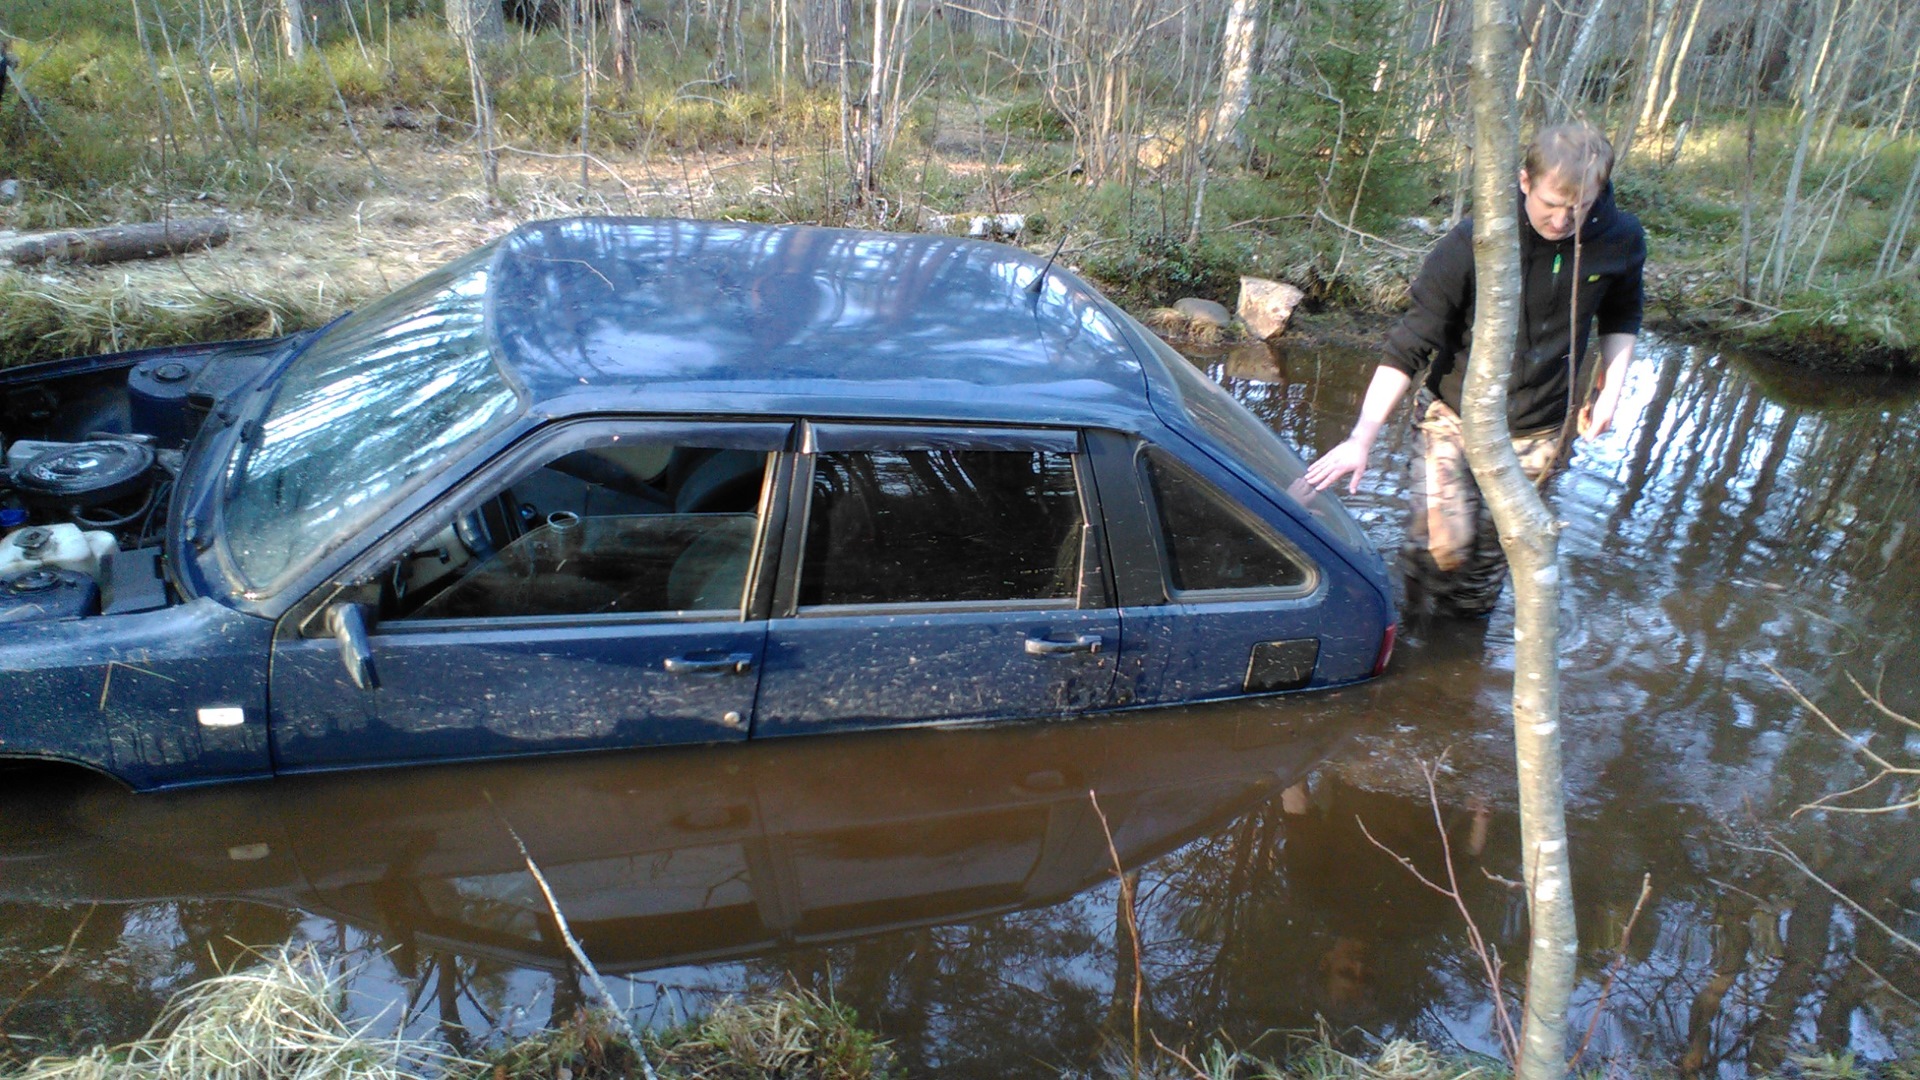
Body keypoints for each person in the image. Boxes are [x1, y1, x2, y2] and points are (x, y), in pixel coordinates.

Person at [1303, 122, 1646, 616]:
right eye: (1551, 204)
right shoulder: (1476, 240)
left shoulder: (1620, 239)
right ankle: (1408, 638)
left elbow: (1622, 314)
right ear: (1525, 181)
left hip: (1541, 430)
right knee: (1441, 546)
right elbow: (1410, 344)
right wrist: (1362, 437)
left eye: (1580, 207)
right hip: (1454, 417)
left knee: (1487, 565)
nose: (1562, 221)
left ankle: (1460, 664)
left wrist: (1609, 390)